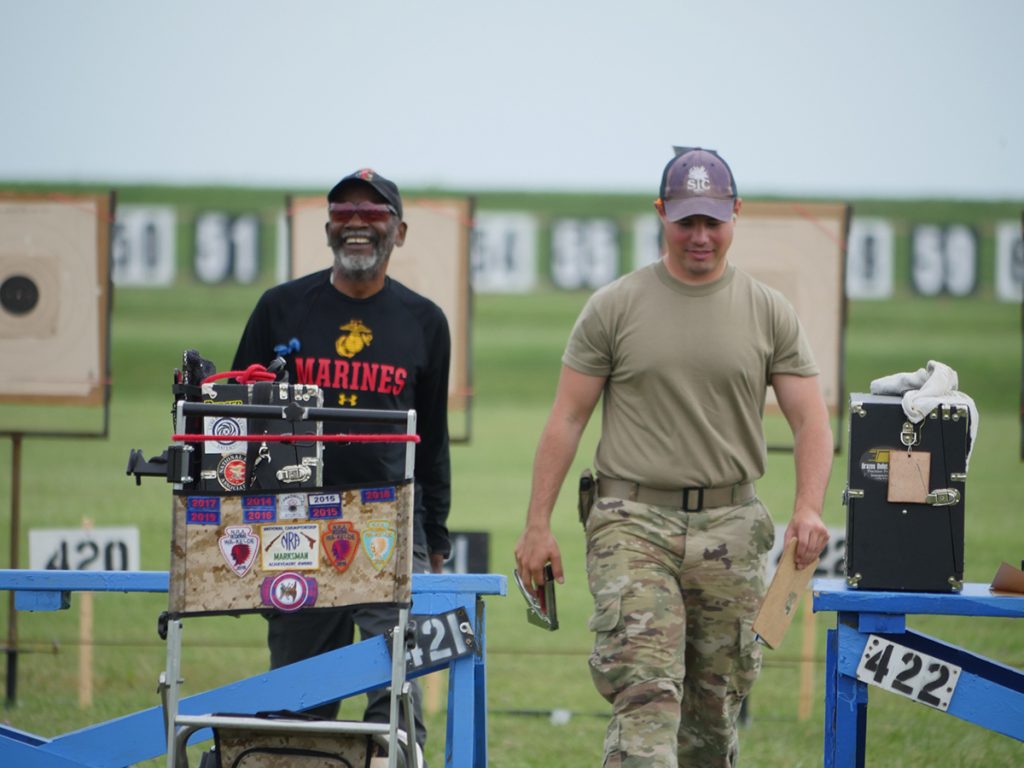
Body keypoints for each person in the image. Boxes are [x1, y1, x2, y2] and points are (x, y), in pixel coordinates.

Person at [514, 147, 832, 767]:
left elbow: (809, 416)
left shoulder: (769, 311)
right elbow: (567, 418)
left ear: (736, 213)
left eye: (713, 220)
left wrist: (809, 507)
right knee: (647, 695)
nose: (700, 236)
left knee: (712, 717)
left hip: (732, 528)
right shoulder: (615, 306)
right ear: (661, 214)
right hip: (631, 522)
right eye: (686, 220)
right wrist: (536, 525)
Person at [232, 168, 451, 753]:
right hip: (293, 524)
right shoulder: (280, 309)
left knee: (396, 694)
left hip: (388, 523)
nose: (357, 222)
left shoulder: (425, 321)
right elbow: (239, 422)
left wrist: (436, 534)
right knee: (295, 701)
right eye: (343, 211)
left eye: (373, 212)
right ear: (328, 227)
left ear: (398, 232)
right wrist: (240, 521)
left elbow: (431, 437)